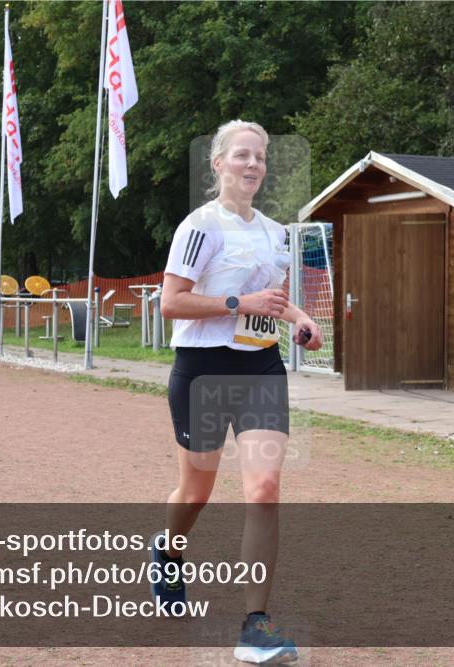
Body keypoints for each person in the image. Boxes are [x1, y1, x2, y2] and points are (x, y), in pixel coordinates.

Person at [154, 120, 323, 665]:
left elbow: (273, 299)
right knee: (195, 492)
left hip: (260, 369)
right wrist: (236, 304)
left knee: (265, 488)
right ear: (219, 163)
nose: (253, 165)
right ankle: (169, 551)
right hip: (202, 371)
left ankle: (255, 625)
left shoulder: (274, 232)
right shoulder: (199, 227)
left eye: (260, 157)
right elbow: (171, 303)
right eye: (242, 155)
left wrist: (300, 320)